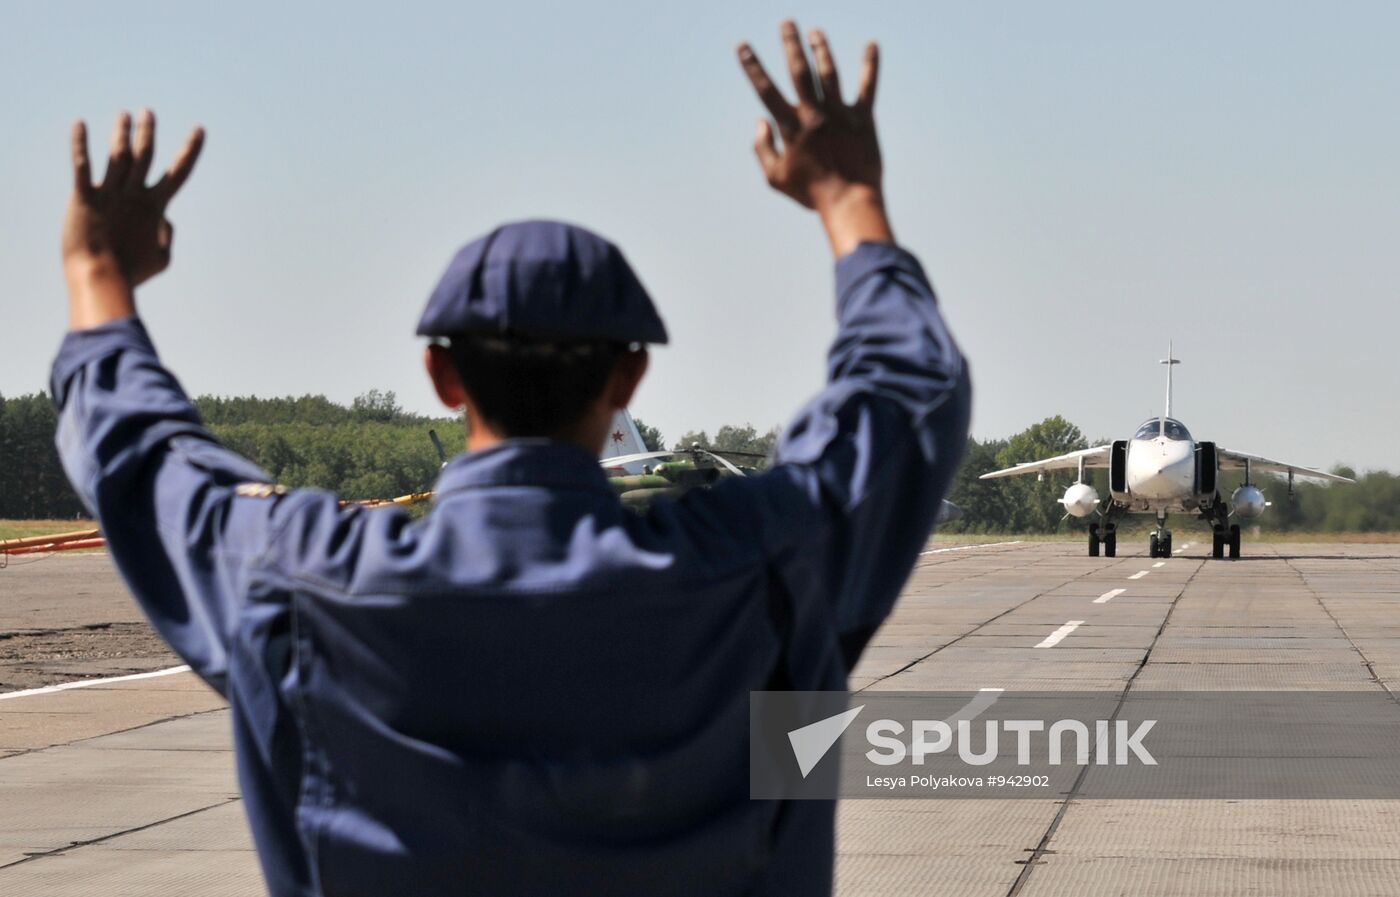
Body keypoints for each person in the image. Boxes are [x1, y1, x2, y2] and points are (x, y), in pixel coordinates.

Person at [52, 20, 969, 897]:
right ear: (629, 374)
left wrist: (99, 275)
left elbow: (140, 455)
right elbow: (905, 398)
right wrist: (851, 199)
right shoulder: (764, 568)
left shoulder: (301, 580)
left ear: (442, 374)